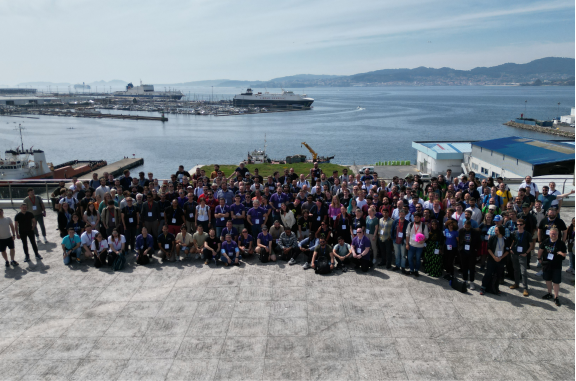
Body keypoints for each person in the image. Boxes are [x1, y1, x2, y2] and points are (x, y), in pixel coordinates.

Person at [538, 228, 568, 307]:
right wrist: (539, 258)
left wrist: (561, 253)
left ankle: (556, 297)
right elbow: (541, 249)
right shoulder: (546, 241)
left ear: (558, 235)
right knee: (548, 279)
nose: (553, 235)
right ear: (549, 234)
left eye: (555, 234)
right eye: (552, 233)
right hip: (547, 264)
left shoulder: (561, 243)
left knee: (556, 282)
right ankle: (549, 293)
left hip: (556, 265)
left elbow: (565, 254)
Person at [480, 226, 509, 296]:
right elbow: (489, 248)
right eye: (495, 230)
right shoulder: (492, 238)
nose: (495, 231)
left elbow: (507, 250)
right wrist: (494, 257)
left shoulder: (505, 239)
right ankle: (483, 287)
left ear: (501, 231)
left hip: (501, 260)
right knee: (488, 273)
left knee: (498, 274)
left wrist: (501, 258)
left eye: (496, 230)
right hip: (492, 259)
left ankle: (495, 288)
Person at [509, 218, 534, 296]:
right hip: (514, 254)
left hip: (522, 255)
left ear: (524, 225)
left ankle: (525, 288)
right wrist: (510, 248)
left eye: (521, 224)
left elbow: (531, 245)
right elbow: (512, 241)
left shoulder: (527, 234)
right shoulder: (514, 233)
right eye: (518, 224)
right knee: (516, 270)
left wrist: (526, 253)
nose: (519, 226)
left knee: (523, 272)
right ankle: (516, 283)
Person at [458, 220, 480, 290]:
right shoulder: (461, 231)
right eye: (466, 227)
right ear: (464, 225)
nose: (467, 229)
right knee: (464, 266)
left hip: (472, 252)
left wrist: (476, 249)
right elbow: (459, 240)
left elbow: (478, 241)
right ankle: (465, 280)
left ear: (470, 226)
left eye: (468, 227)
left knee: (472, 267)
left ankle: (471, 282)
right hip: (463, 251)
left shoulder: (475, 232)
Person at [405, 212, 429, 277]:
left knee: (418, 259)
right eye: (415, 217)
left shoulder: (424, 226)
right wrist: (407, 244)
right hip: (411, 245)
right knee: (410, 258)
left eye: (418, 217)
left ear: (420, 218)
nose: (416, 218)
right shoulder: (410, 224)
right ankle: (411, 270)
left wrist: (423, 240)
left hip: (419, 246)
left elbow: (427, 236)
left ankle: (416, 270)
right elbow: (407, 235)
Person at [391, 210, 409, 274]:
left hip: (403, 242)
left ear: (405, 215)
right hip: (396, 241)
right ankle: (397, 266)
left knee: (403, 255)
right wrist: (392, 238)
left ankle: (403, 267)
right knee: (397, 254)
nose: (402, 216)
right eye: (400, 214)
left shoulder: (407, 222)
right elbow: (392, 229)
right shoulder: (395, 221)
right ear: (399, 215)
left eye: (403, 214)